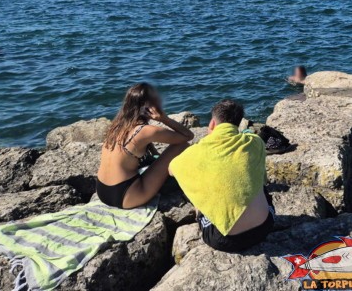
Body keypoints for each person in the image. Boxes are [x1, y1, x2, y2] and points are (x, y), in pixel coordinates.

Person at [170, 99, 273, 253]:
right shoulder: (255, 141)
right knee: (257, 185)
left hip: (223, 240)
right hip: (265, 227)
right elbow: (262, 179)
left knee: (198, 198)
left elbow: (172, 169)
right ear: (238, 124)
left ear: (212, 124)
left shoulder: (196, 151)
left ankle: (202, 213)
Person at [96, 83, 193, 209]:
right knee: (181, 145)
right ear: (150, 106)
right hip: (124, 196)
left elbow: (151, 155)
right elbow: (187, 136)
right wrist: (164, 119)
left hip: (102, 192)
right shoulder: (146, 131)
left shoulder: (117, 125)